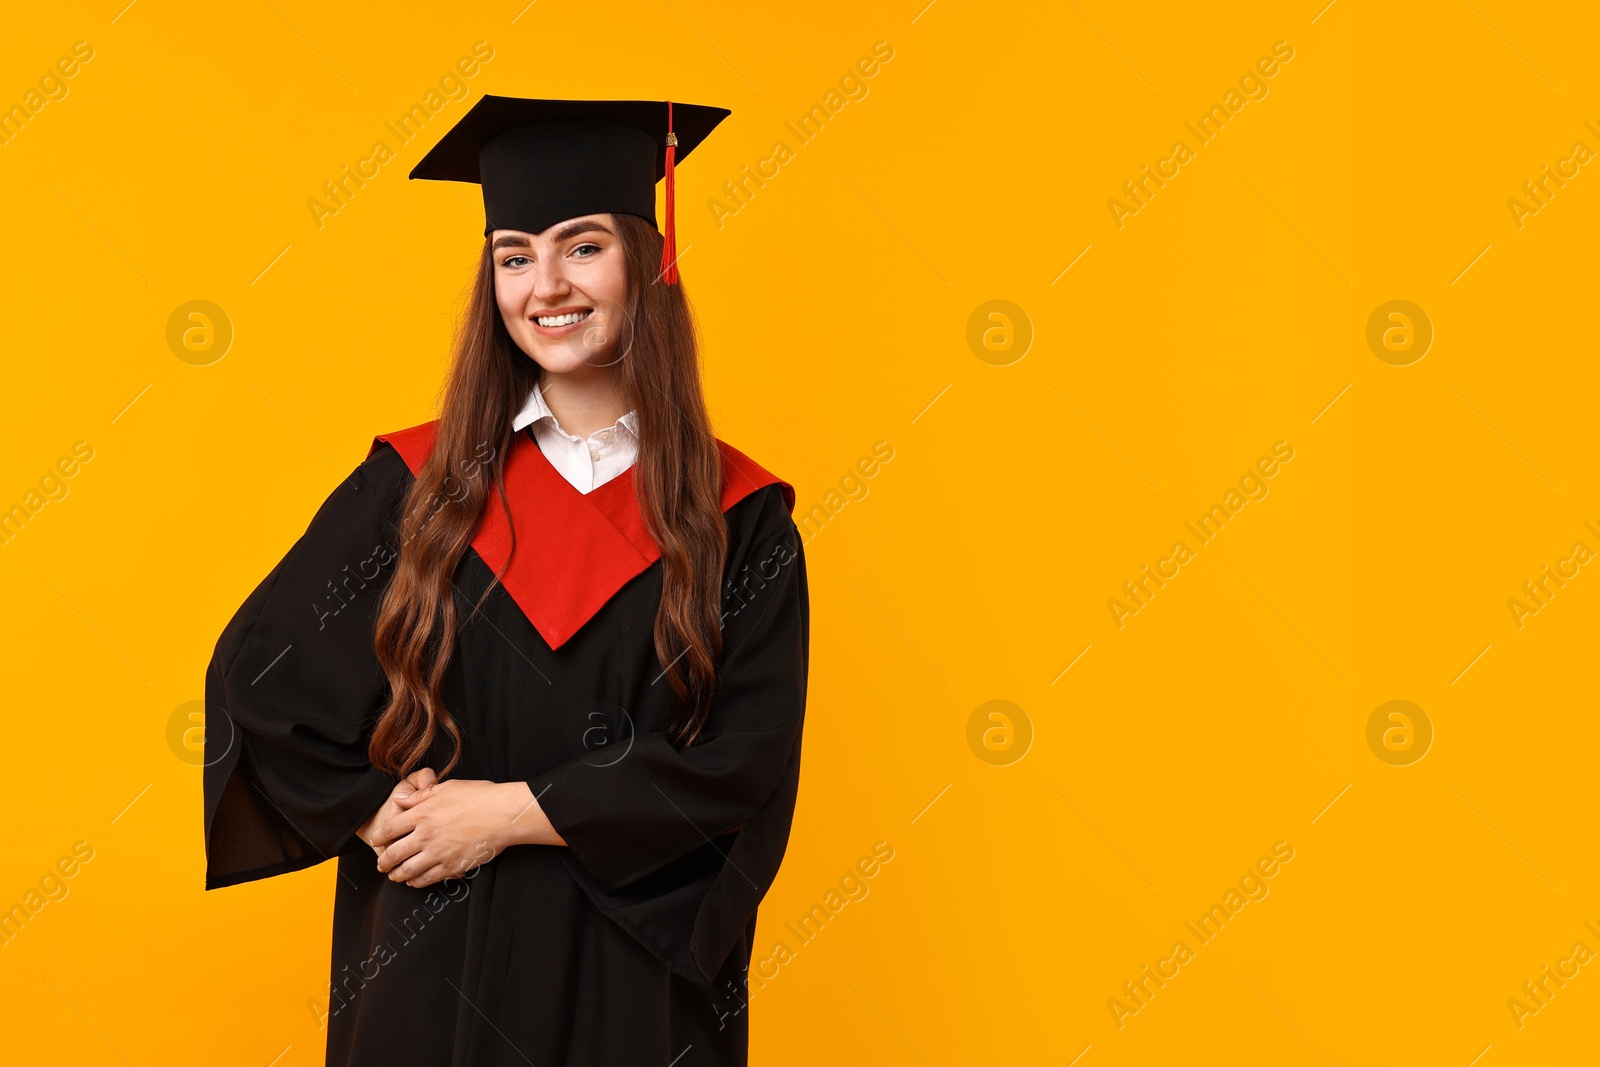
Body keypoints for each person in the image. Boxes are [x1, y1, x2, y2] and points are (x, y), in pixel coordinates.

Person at [201, 96, 811, 1066]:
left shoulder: (739, 516)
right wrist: (370, 806)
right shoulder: (411, 486)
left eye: (582, 248)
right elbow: (261, 674)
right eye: (515, 255)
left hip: (630, 980)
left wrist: (510, 812)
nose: (546, 285)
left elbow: (744, 761)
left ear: (647, 260)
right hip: (427, 961)